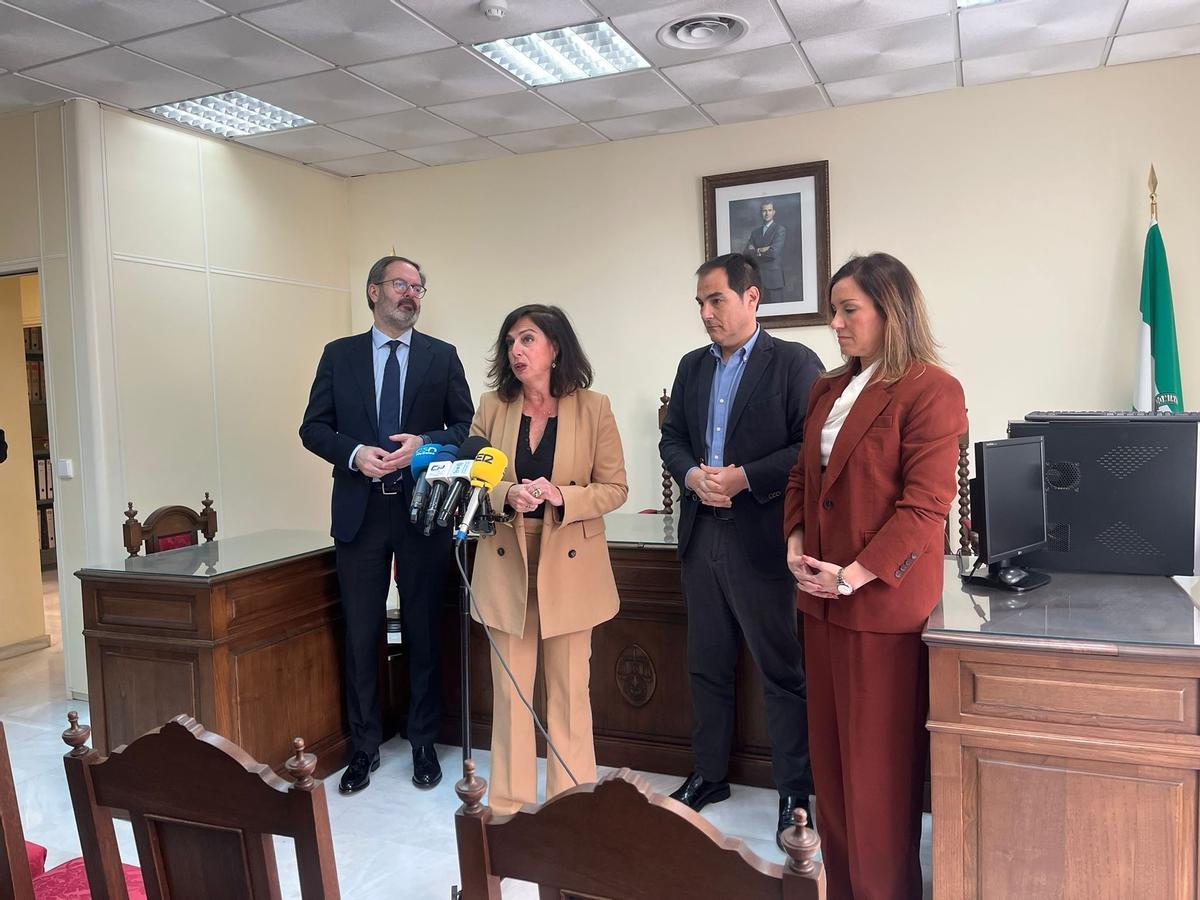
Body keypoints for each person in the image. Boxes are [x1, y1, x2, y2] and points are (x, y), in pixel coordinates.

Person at [784, 252, 967, 899]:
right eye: (833, 310)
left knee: (877, 781)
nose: (834, 323)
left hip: (879, 608)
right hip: (820, 602)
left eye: (848, 310)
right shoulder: (826, 389)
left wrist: (854, 575)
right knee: (832, 776)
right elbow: (803, 478)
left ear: (891, 311)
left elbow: (925, 507)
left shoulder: (930, 389)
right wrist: (795, 543)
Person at [660, 253, 822, 848]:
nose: (706, 314)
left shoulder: (794, 363)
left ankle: (794, 791)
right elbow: (672, 438)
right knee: (706, 663)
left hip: (762, 538)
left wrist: (745, 477)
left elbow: (809, 447)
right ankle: (709, 774)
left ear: (751, 298)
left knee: (781, 671)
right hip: (702, 532)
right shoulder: (692, 366)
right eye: (700, 304)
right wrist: (690, 475)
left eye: (716, 300)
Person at [300, 255, 473, 795]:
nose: (411, 294)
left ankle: (423, 742)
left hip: (423, 511)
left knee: (423, 628)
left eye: (418, 287)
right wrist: (354, 454)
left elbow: (465, 427)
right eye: (401, 284)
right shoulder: (340, 355)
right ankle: (364, 746)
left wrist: (426, 443)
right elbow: (313, 428)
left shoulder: (442, 356)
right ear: (374, 291)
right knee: (361, 632)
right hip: (361, 512)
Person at [468, 304, 627, 815]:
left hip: (569, 562)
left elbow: (615, 488)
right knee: (510, 691)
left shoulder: (594, 408)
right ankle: (509, 807)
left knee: (568, 691)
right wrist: (505, 493)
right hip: (506, 558)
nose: (516, 350)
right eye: (510, 341)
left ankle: (572, 807)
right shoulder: (491, 407)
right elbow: (474, 477)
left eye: (528, 339)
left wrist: (562, 495)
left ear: (555, 347)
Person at [744, 201, 787, 302]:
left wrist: (755, 250)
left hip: (774, 280)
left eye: (769, 210)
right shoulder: (755, 232)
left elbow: (773, 253)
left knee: (777, 310)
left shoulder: (780, 230)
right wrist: (761, 250)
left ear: (774, 212)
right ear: (761, 213)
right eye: (764, 211)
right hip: (758, 280)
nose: (767, 213)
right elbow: (746, 253)